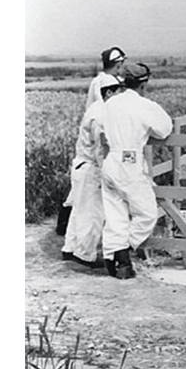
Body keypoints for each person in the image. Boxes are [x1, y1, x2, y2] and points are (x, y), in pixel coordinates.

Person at [99, 62, 172, 279]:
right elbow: (164, 129)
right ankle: (122, 253)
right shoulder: (144, 105)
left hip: (111, 160)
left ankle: (115, 260)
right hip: (130, 161)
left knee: (115, 214)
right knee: (147, 212)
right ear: (144, 83)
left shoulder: (111, 103)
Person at [61, 78, 123, 269]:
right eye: (117, 92)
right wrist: (107, 170)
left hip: (81, 166)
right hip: (91, 168)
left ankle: (70, 248)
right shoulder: (100, 115)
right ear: (109, 93)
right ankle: (85, 255)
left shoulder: (95, 108)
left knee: (79, 210)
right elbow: (99, 148)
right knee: (93, 213)